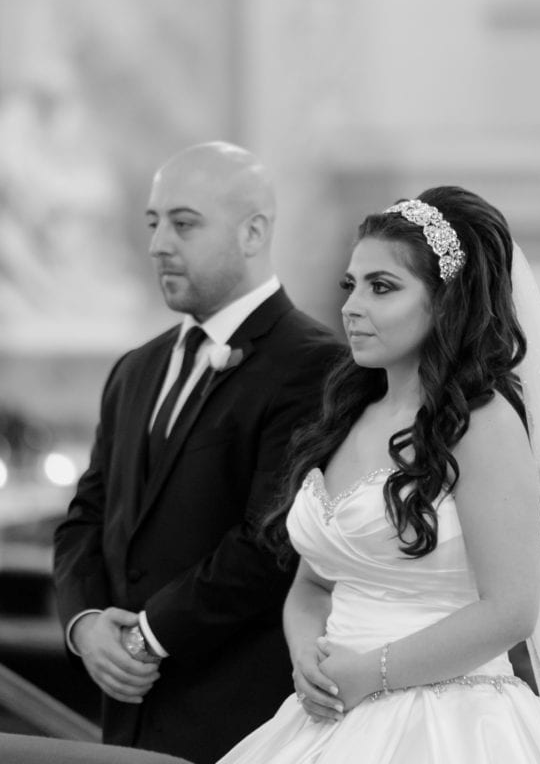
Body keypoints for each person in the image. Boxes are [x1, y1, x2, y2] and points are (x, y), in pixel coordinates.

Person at [215, 186, 540, 764]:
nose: (353, 306)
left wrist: (370, 673)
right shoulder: (348, 413)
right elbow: (313, 585)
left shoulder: (482, 424)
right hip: (327, 714)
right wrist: (309, 660)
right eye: (350, 285)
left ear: (446, 302)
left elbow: (510, 610)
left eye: (383, 287)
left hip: (452, 722)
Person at [52, 141, 342, 764]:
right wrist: (87, 625)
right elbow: (86, 514)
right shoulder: (137, 368)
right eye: (153, 222)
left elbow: (271, 539)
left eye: (183, 223)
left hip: (238, 714)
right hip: (126, 712)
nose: (158, 244)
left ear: (253, 232)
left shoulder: (316, 364)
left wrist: (148, 638)